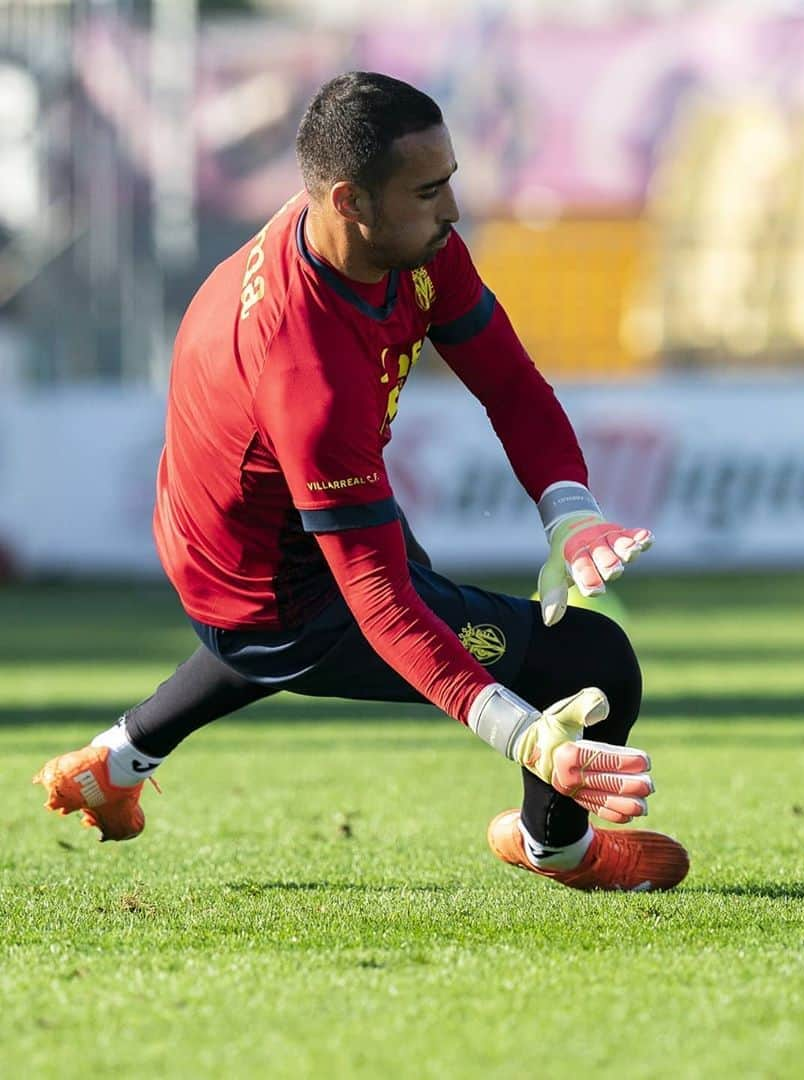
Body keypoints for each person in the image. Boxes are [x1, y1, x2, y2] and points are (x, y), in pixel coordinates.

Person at [33, 72, 689, 893]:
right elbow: (377, 603)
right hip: (273, 589)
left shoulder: (401, 242)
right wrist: (526, 736)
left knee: (338, 613)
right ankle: (554, 846)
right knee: (591, 662)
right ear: (349, 200)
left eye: (450, 180)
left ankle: (116, 762)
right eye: (429, 190)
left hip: (229, 533)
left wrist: (570, 515)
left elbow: (511, 384)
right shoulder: (307, 374)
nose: (452, 211)